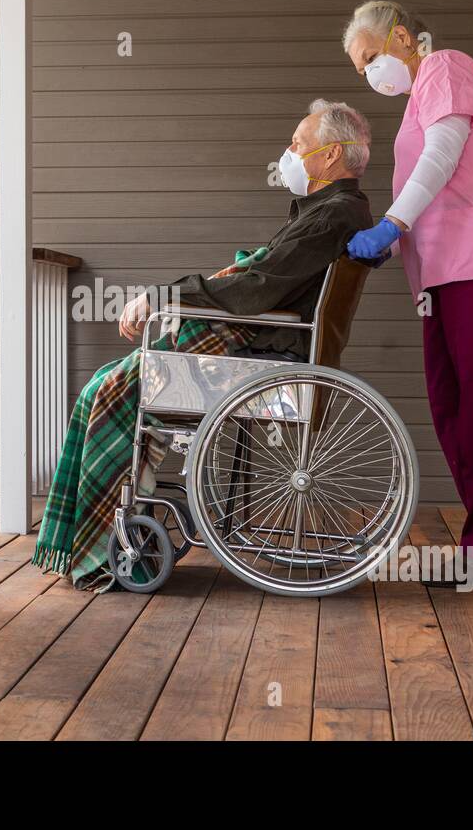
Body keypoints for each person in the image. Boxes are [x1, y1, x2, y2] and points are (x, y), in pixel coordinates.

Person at [32, 100, 380, 590]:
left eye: (298, 144)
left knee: (109, 392)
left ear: (330, 157)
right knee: (102, 385)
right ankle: (105, 527)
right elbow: (264, 280)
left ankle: (103, 546)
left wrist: (165, 296)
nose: (288, 153)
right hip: (271, 349)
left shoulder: (331, 216)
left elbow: (257, 288)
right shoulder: (335, 211)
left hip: (265, 360)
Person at [342, 0, 473, 588]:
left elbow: (443, 154)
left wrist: (392, 224)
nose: (371, 75)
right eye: (362, 70)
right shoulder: (417, 100)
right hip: (445, 275)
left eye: (371, 58)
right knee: (455, 406)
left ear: (403, 36)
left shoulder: (445, 67)